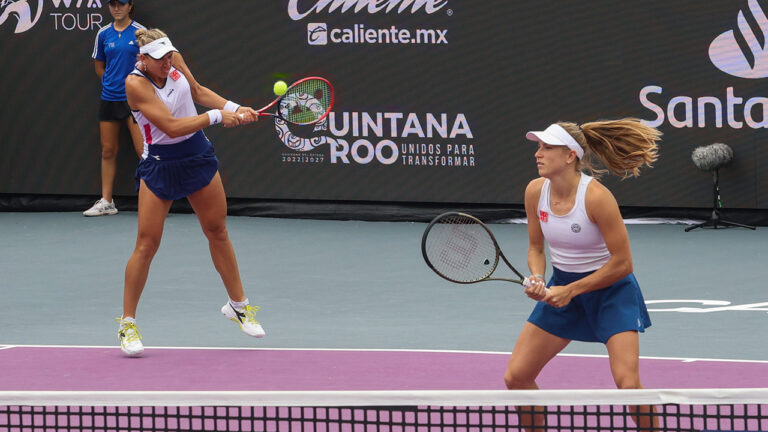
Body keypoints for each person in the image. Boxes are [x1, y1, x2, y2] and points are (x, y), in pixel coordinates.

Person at [504, 119, 661, 430]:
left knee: (628, 384)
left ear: (569, 155)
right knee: (517, 377)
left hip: (611, 292)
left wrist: (572, 290)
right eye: (538, 147)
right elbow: (536, 248)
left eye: (547, 147)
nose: (539, 153)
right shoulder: (535, 192)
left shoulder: (596, 198)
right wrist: (537, 277)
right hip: (562, 285)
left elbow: (623, 263)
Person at [115, 28, 263, 357]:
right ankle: (127, 324)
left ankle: (238, 305)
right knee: (146, 245)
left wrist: (237, 108)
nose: (167, 62)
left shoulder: (172, 59)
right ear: (142, 60)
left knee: (217, 230)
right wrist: (215, 117)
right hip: (161, 165)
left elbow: (197, 90)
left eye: (169, 56)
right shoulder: (134, 85)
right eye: (159, 59)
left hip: (197, 157)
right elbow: (169, 126)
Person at [85, 0, 146, 217]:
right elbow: (99, 66)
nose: (116, 8)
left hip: (135, 101)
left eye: (121, 4)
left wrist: (134, 86)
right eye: (112, 4)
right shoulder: (103, 34)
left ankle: (153, 199)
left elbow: (149, 65)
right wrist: (110, 82)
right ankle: (107, 202)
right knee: (108, 150)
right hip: (109, 98)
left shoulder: (141, 32)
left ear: (130, 6)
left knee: (143, 151)